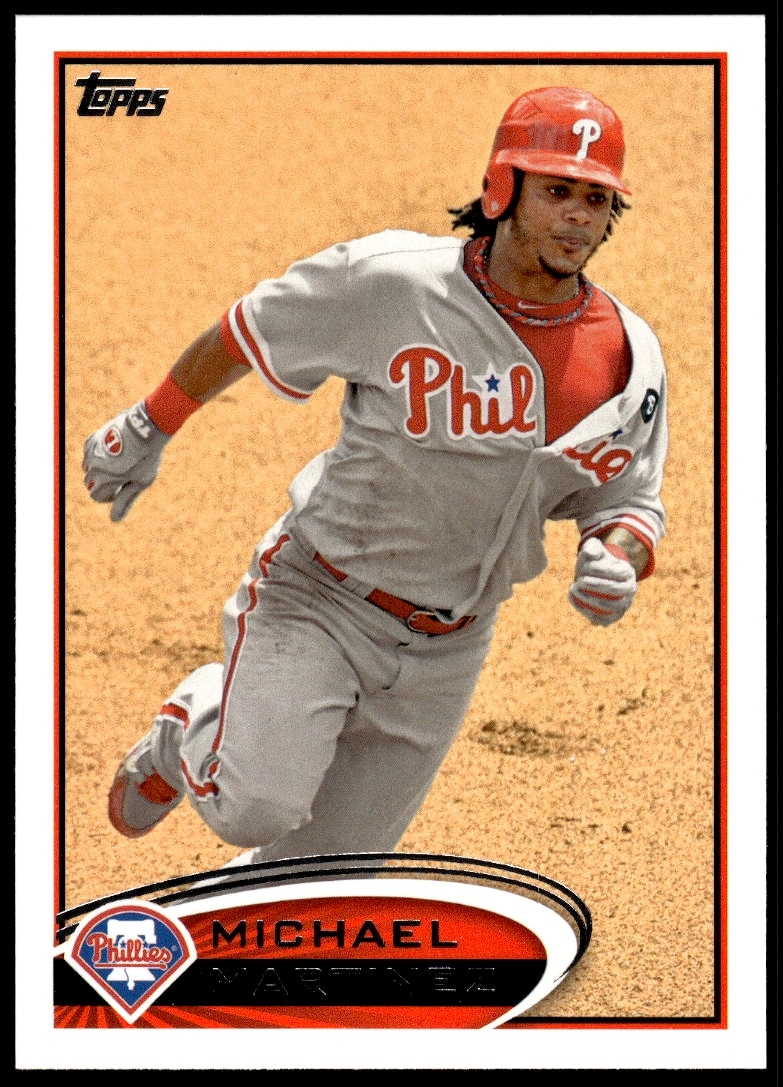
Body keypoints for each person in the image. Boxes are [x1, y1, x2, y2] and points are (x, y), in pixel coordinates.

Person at [82, 86, 668, 868]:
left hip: (449, 647)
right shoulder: (394, 283)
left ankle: (229, 933)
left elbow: (628, 499)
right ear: (502, 187)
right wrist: (148, 423)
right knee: (254, 806)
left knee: (320, 876)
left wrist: (617, 555)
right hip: (320, 597)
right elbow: (250, 329)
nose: (576, 217)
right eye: (556, 190)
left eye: (594, 199)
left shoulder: (626, 355)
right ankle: (192, 721)